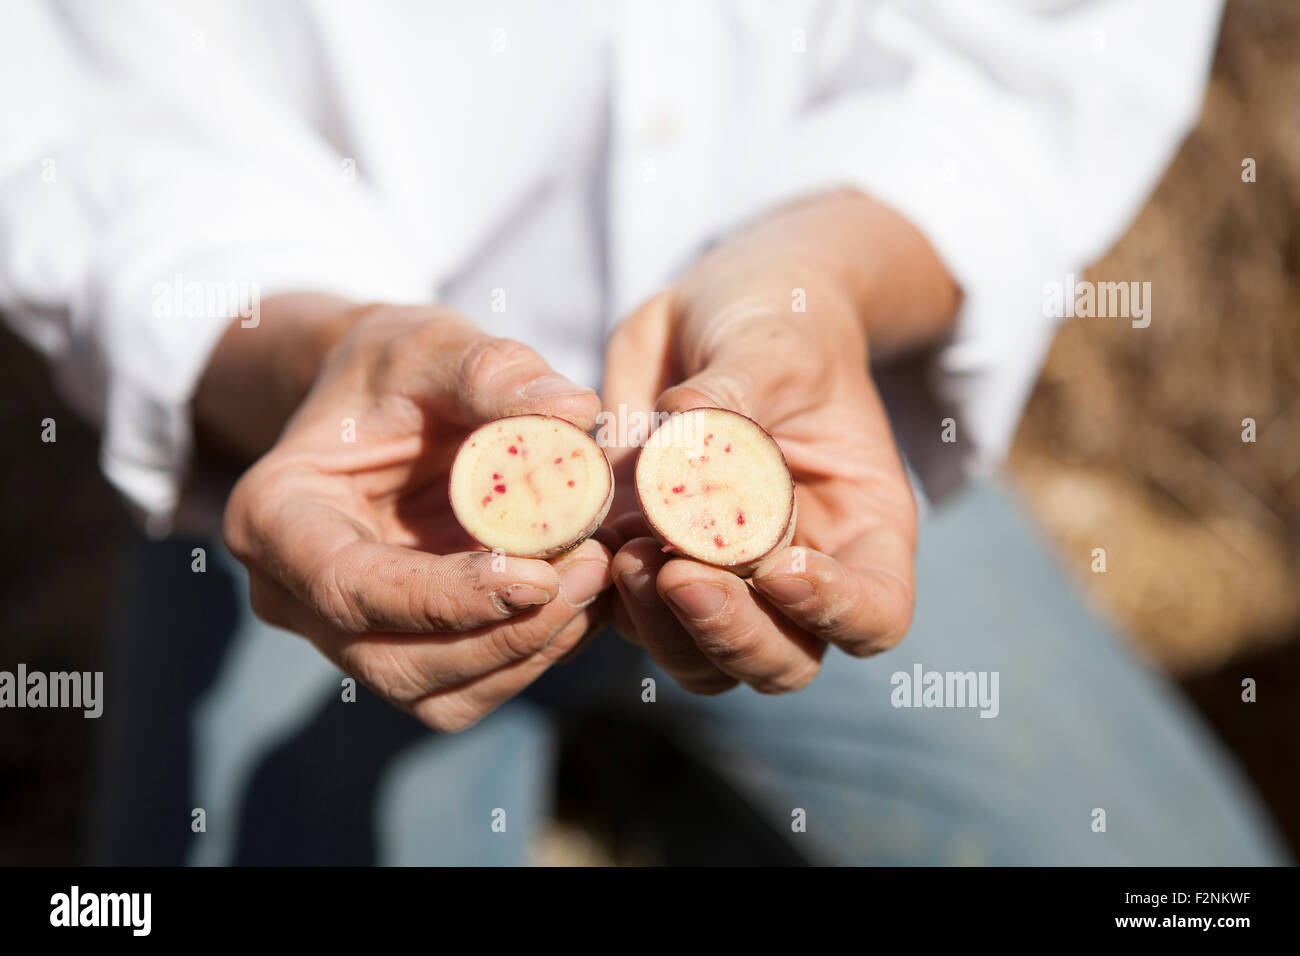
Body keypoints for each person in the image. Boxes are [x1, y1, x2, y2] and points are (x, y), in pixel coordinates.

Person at [2, 0, 1286, 864]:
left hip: (806, 448)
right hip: (343, 478)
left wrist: (819, 282)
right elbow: (80, 125)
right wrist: (315, 353)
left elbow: (1034, 62)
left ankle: (656, 766)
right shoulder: (341, 459)